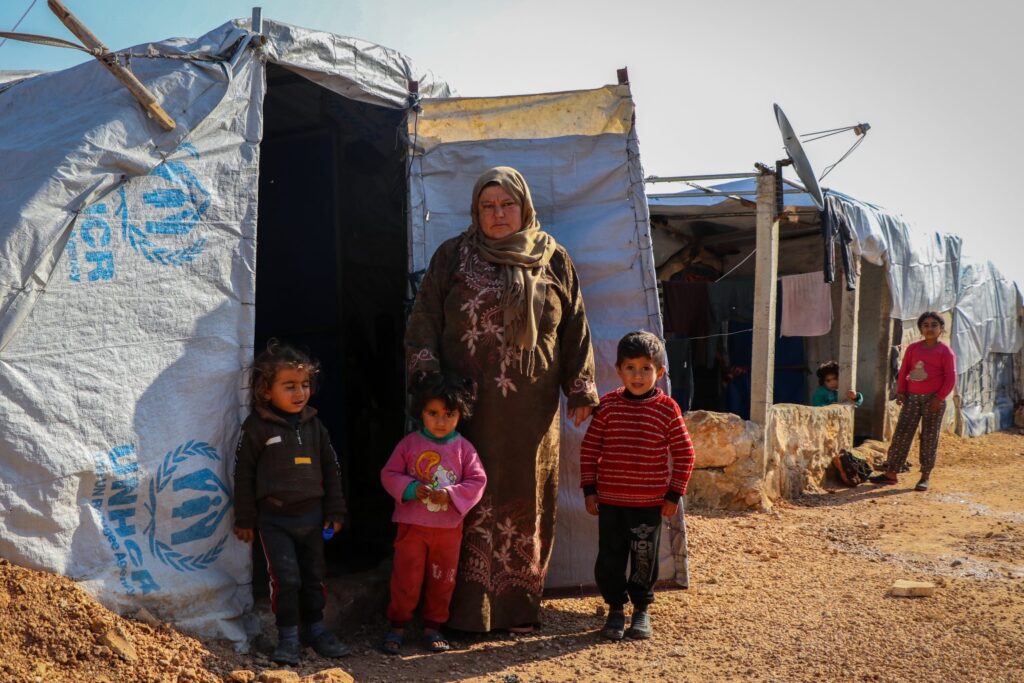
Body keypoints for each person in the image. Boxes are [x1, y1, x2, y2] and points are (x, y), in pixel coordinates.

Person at [405, 166, 600, 633]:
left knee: (524, 498)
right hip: (464, 410)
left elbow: (575, 323)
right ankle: (462, 614)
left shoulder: (553, 258)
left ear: (524, 207)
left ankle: (516, 610)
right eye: (487, 206)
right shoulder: (452, 255)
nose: (497, 213)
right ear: (475, 210)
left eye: (506, 204)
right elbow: (426, 314)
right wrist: (429, 378)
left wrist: (580, 387)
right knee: (463, 496)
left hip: (531, 412)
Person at [232, 341, 350, 665]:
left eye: (305, 384)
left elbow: (332, 468)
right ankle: (287, 637)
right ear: (266, 391)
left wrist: (335, 511)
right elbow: (243, 473)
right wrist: (245, 517)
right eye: (290, 386)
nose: (300, 393)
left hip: (312, 517)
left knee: (314, 577)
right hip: (275, 520)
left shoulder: (315, 425)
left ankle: (316, 629)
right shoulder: (256, 427)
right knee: (286, 579)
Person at [580, 331, 696, 641]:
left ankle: (641, 610)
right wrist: (589, 490)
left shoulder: (667, 408)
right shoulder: (607, 406)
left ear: (660, 372)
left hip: (649, 503)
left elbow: (685, 453)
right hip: (611, 502)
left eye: (646, 368)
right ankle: (616, 609)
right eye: (630, 367)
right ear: (618, 370)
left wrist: (674, 493)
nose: (638, 375)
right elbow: (590, 449)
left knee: (644, 559)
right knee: (610, 559)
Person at [379, 373, 487, 654]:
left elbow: (477, 481)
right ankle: (397, 626)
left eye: (448, 414)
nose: (440, 421)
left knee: (443, 578)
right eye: (433, 413)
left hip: (448, 530)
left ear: (460, 414)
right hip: (411, 526)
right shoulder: (409, 445)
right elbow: (388, 474)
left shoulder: (464, 449)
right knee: (406, 577)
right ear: (421, 412)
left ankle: (433, 627)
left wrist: (450, 494)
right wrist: (412, 489)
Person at [870, 311, 956, 491]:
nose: (930, 328)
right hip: (911, 398)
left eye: (934, 325)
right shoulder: (913, 349)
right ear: (920, 329)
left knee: (929, 437)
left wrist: (939, 398)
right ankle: (891, 473)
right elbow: (904, 371)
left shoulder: (945, 351)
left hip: (934, 400)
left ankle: (925, 476)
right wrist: (901, 391)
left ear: (941, 329)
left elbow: (950, 378)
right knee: (902, 434)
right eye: (926, 325)